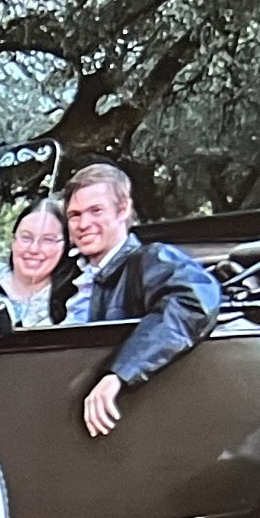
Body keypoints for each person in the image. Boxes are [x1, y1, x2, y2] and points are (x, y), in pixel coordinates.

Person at [60, 163, 221, 437]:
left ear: (123, 210)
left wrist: (118, 374)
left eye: (96, 211)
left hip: (121, 424)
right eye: (75, 215)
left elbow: (193, 301)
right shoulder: (71, 278)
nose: (83, 224)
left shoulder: (149, 260)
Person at [0, 199, 73, 328]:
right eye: (26, 238)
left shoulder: (74, 297)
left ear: (65, 246)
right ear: (13, 241)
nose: (34, 249)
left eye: (48, 240)